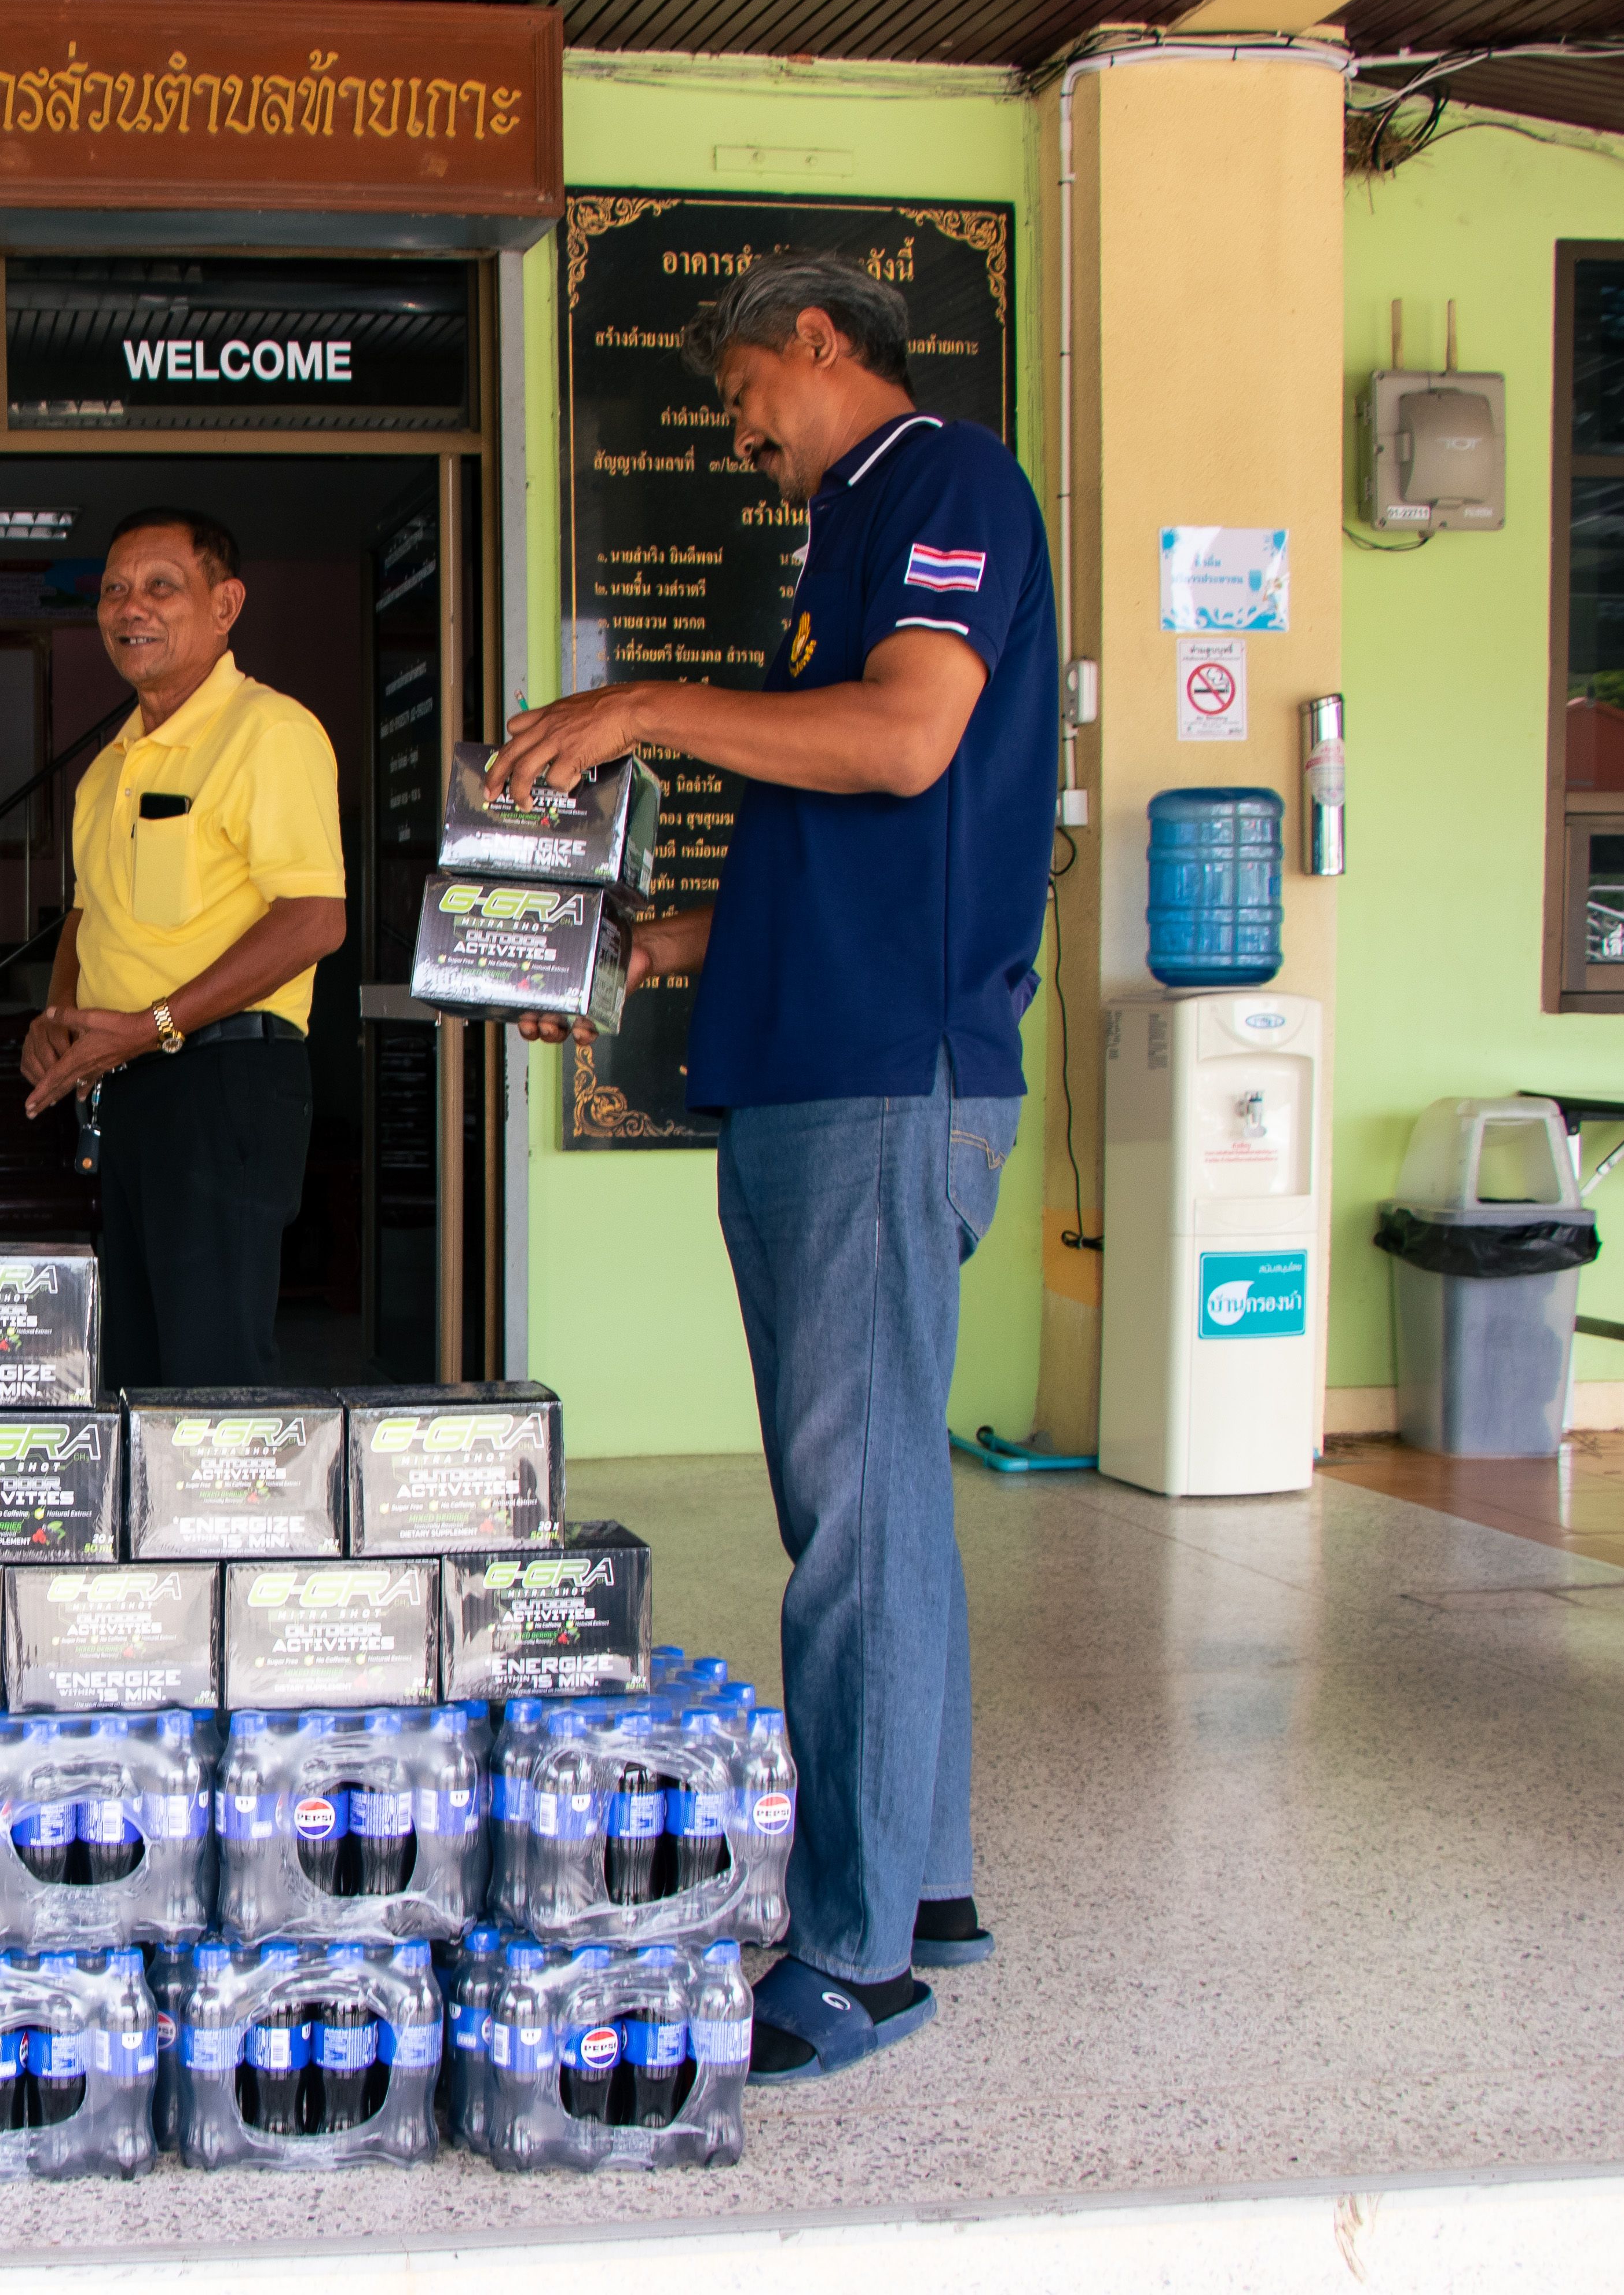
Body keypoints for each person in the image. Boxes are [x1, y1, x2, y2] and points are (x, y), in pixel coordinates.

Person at [492, 251, 1053, 2085]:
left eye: (741, 393)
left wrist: (641, 707)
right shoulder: (846, 536)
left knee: (856, 1523)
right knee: (879, 1496)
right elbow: (845, 856)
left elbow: (903, 745)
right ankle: (926, 1888)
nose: (737, 435)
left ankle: (851, 1960)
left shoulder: (940, 480)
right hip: (823, 1064)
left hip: (882, 1084)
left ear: (820, 346)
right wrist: (640, 947)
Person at [19, 508, 346, 1388]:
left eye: (161, 586)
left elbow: (315, 918)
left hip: (225, 1084)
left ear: (225, 604)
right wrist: (57, 1018)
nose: (133, 608)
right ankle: (156, 1533)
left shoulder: (267, 732)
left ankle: (221, 1533)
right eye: (115, 590)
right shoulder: (106, 767)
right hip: (133, 1091)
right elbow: (87, 921)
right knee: (138, 1362)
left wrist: (151, 1024)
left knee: (212, 1365)